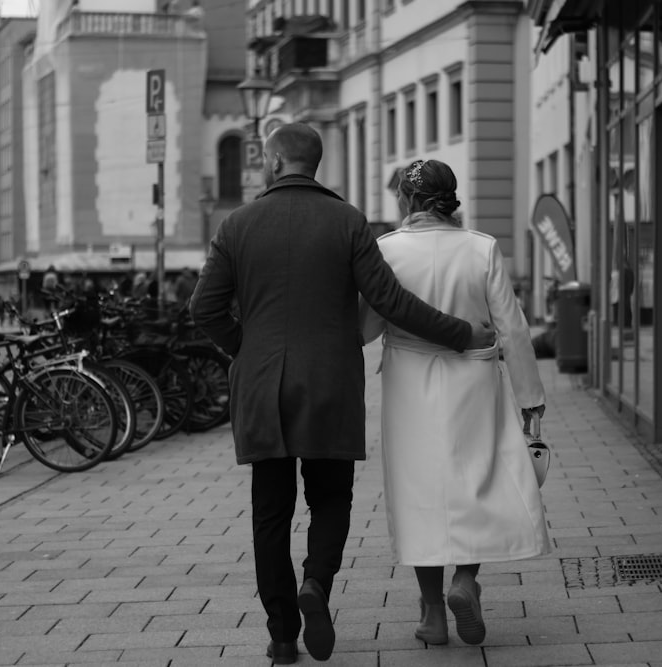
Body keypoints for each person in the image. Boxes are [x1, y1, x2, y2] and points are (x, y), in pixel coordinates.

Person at [189, 123, 495, 665]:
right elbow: (390, 301)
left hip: (263, 388)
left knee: (270, 512)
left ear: (273, 160)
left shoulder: (237, 225)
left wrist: (249, 348)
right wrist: (460, 333)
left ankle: (283, 636)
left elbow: (204, 309)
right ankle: (316, 582)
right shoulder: (348, 221)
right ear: (316, 163)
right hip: (330, 382)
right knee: (331, 497)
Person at [360, 159, 549, 647]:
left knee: (418, 491)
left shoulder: (386, 250)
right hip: (474, 377)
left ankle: (432, 614)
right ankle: (464, 581)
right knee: (476, 482)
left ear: (407, 199)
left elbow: (367, 327)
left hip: (409, 382)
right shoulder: (480, 248)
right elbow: (512, 326)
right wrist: (531, 397)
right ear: (451, 199)